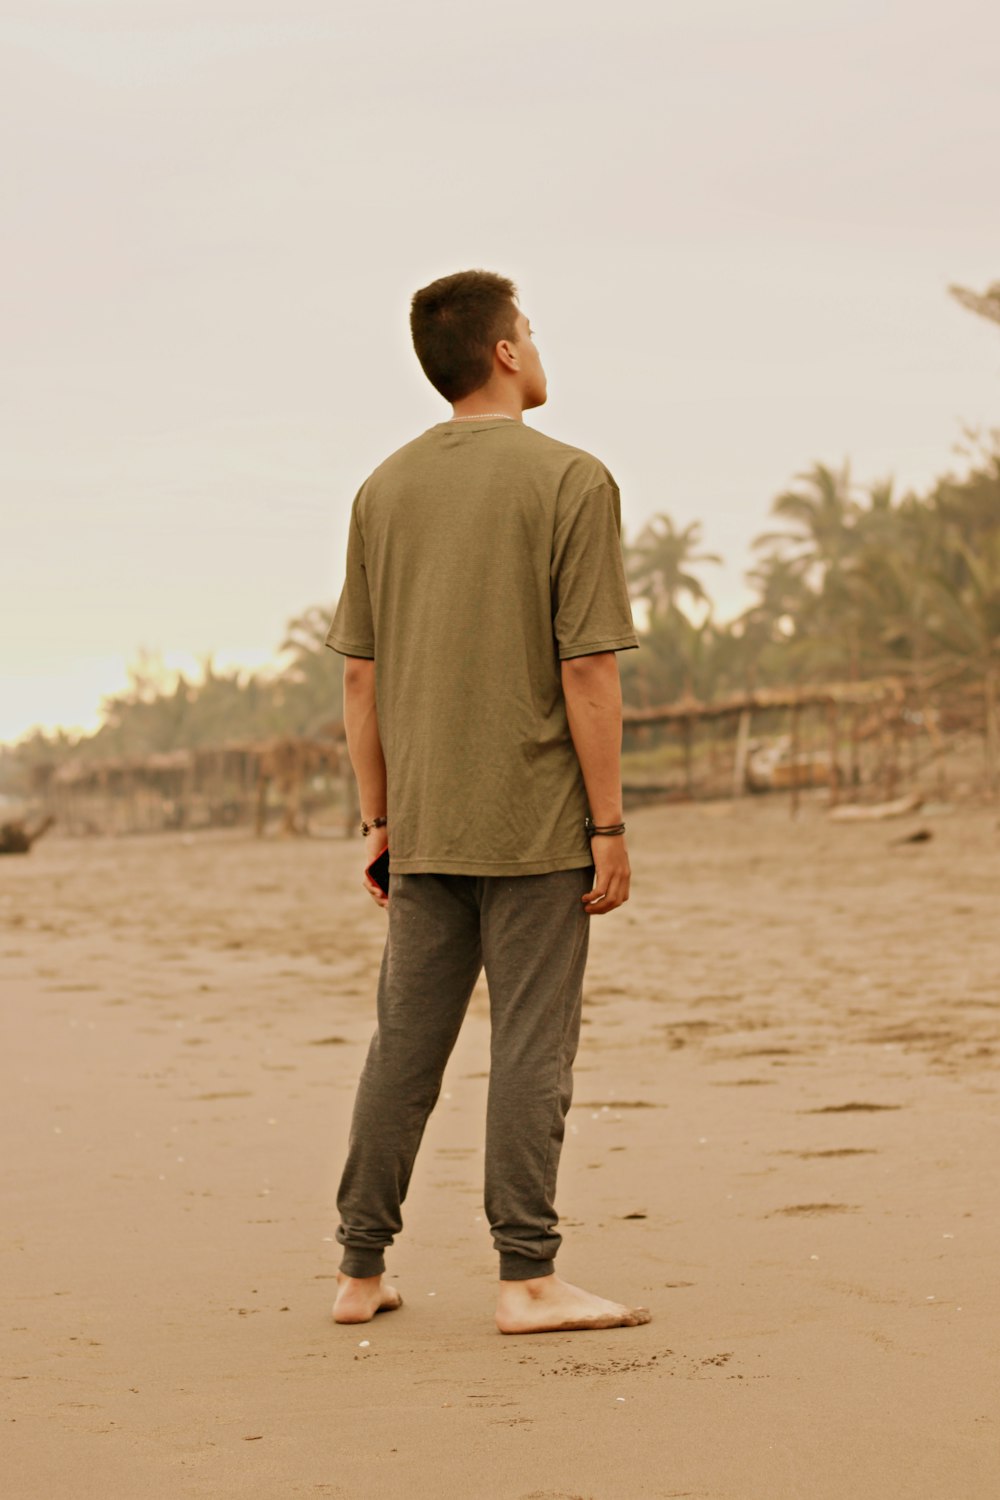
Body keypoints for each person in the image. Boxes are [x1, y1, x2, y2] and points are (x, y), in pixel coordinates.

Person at [324, 269, 651, 1334]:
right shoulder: (572, 480)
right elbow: (589, 674)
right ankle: (527, 1279)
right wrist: (606, 824)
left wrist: (379, 821)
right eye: (532, 331)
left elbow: (359, 678)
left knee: (402, 1050)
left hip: (422, 826)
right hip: (533, 824)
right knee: (532, 1049)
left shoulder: (383, 488)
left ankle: (359, 1272)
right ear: (505, 353)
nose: (538, 346)